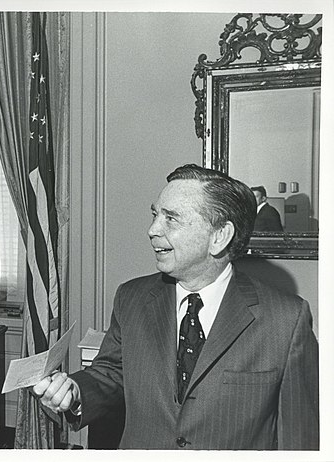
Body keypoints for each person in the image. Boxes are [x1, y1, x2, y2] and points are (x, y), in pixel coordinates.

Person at [33, 164, 318, 450]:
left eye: (172, 218)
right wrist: (76, 390)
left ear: (219, 236)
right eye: (156, 215)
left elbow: (300, 437)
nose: (152, 229)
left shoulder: (286, 320)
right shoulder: (131, 298)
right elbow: (112, 372)